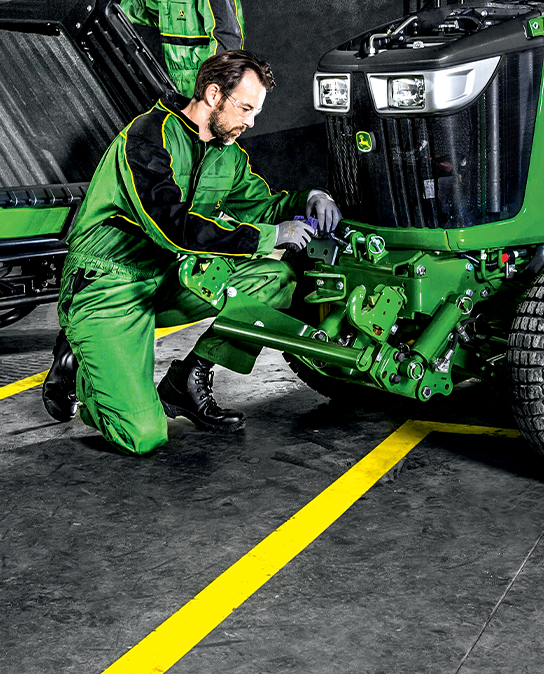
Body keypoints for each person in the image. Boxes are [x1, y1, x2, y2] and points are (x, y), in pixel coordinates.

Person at [41, 50, 341, 454]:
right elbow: (173, 226)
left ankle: (188, 379)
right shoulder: (147, 138)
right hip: (106, 282)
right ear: (214, 94)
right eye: (246, 108)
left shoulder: (227, 153)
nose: (250, 123)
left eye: (256, 112)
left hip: (167, 277)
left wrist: (309, 198)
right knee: (143, 435)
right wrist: (268, 238)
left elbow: (262, 206)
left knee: (277, 280)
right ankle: (80, 360)